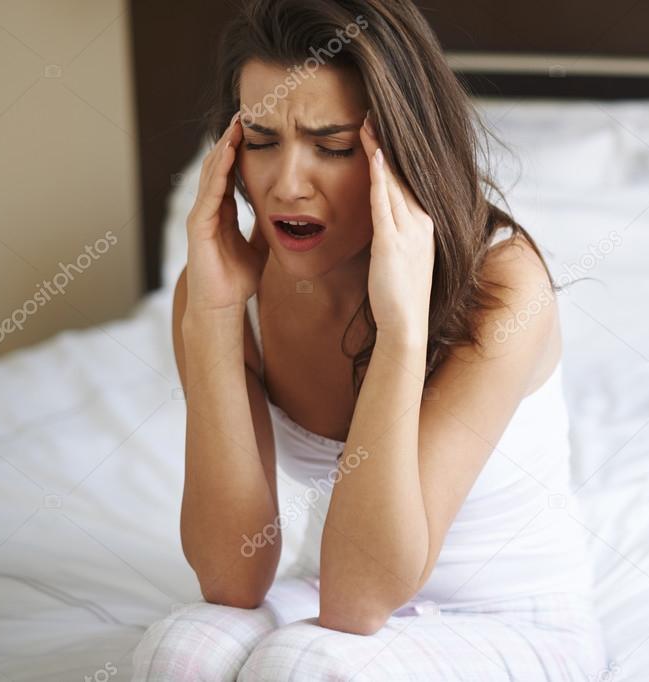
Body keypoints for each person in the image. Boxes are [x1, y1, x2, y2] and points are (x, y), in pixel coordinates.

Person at [131, 0, 608, 679]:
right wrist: (210, 316)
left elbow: (359, 602)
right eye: (261, 141)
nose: (286, 186)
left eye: (332, 147)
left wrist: (402, 328)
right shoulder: (226, 286)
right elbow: (233, 580)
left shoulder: (502, 287)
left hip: (508, 616)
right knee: (178, 651)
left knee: (304, 667)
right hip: (331, 581)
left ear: (402, 151)